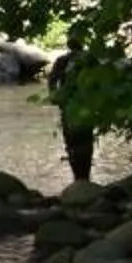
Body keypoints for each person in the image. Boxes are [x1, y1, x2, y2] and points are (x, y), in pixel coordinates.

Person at [48, 43, 97, 183]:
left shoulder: (62, 60)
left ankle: (77, 177)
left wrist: (54, 97)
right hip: (86, 105)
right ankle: (85, 177)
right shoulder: (90, 59)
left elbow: (52, 80)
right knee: (86, 141)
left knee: (71, 142)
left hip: (68, 104)